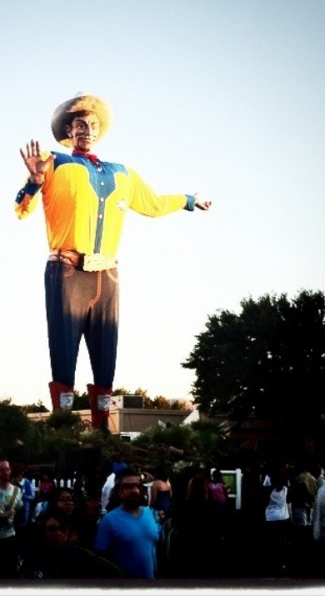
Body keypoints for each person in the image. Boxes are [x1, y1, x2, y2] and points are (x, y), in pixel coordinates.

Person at [16, 93, 212, 431]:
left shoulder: (122, 172)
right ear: (68, 130)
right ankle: (63, 426)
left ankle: (102, 429)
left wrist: (189, 200)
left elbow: (153, 203)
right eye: (80, 124)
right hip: (66, 269)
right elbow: (21, 210)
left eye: (92, 125)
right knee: (63, 352)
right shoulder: (55, 161)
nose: (87, 130)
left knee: (106, 355)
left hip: (106, 273)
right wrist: (33, 183)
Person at [19, 507, 124, 580]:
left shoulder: (80, 554)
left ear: (68, 531)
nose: (58, 533)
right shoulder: (34, 556)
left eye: (62, 529)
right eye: (51, 529)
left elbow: (115, 571)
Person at [94, 467, 161, 579]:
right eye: (128, 487)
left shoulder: (151, 514)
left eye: (137, 485)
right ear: (119, 491)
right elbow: (100, 559)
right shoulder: (108, 521)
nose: (134, 491)